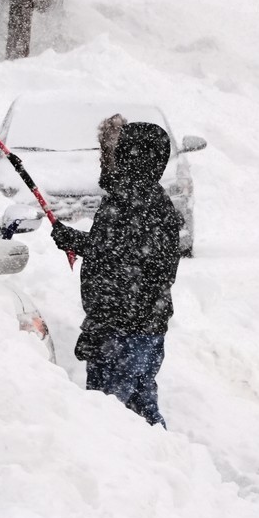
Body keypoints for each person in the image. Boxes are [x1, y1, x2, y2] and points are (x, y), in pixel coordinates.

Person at [50, 121, 182, 428]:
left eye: (115, 152)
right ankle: (167, 465)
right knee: (139, 408)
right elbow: (118, 251)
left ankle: (140, 468)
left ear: (131, 156)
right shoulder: (145, 198)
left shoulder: (135, 201)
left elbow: (119, 257)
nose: (107, 158)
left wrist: (77, 242)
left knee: (109, 419)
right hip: (137, 327)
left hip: (123, 330)